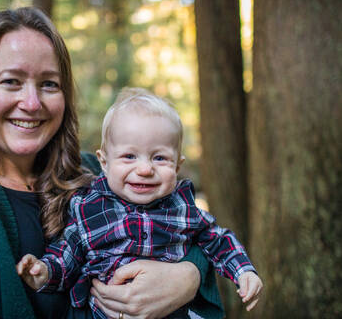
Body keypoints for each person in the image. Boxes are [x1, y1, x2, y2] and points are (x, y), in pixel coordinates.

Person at [0, 8, 225, 319]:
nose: (32, 103)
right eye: (11, 82)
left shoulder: (98, 175)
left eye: (49, 84)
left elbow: (192, 232)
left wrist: (188, 277)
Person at [16, 87, 263, 318]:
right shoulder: (89, 207)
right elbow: (67, 255)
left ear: (178, 165)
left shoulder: (181, 208)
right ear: (104, 162)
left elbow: (218, 239)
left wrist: (243, 271)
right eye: (129, 156)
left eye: (159, 158)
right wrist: (44, 272)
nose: (144, 169)